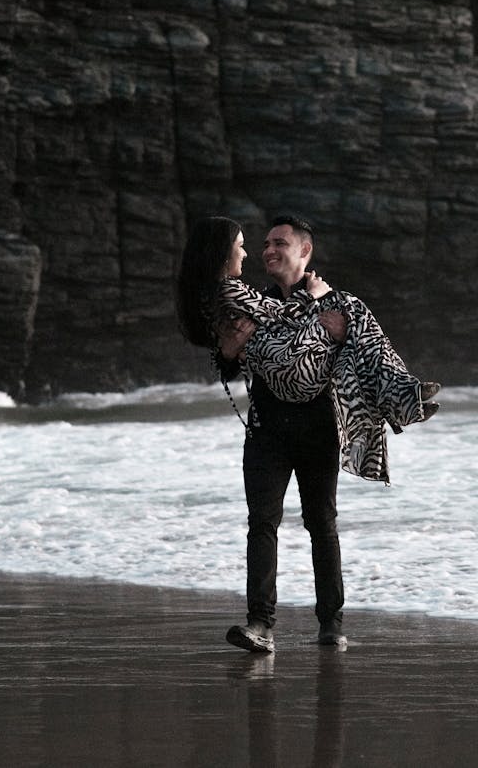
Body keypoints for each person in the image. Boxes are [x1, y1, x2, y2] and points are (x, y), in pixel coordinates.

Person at [176, 214, 440, 654]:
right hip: (267, 428)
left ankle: (331, 624)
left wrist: (320, 318)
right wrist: (227, 350)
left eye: (279, 242)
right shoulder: (253, 300)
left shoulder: (336, 303)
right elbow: (234, 360)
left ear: (305, 251)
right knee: (262, 523)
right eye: (263, 244)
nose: (267, 250)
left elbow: (361, 353)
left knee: (322, 525)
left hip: (318, 427)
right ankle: (260, 624)